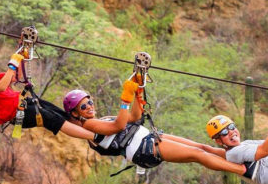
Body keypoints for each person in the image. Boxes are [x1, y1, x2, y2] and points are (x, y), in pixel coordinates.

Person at [63, 75, 247, 175]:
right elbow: (118, 126)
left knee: (200, 147)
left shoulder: (101, 120)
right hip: (144, 148)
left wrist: (137, 92)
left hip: (149, 139)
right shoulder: (88, 126)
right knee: (198, 154)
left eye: (90, 102)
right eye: (84, 106)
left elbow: (134, 117)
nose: (90, 106)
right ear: (75, 113)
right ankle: (240, 169)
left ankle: (237, 156)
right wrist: (125, 98)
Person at [0, 45, 94, 140]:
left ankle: (93, 127)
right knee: (51, 118)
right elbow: (1, 87)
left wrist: (22, 58)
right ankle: (94, 137)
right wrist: (12, 65)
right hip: (17, 114)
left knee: (58, 112)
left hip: (24, 103)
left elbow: (17, 77)